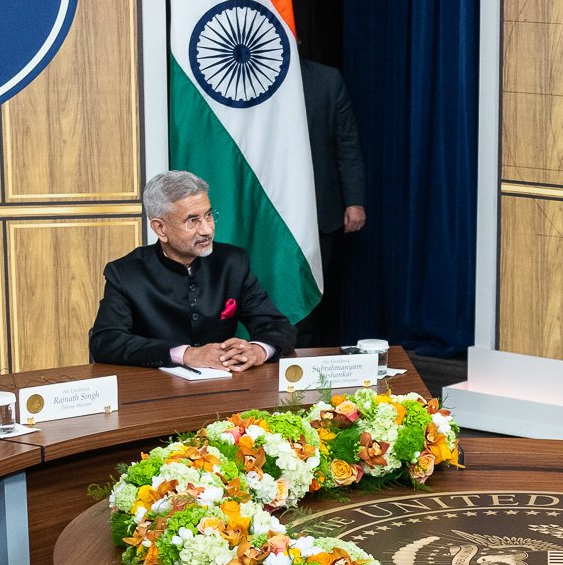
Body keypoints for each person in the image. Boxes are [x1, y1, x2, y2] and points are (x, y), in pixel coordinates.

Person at [90, 169, 298, 370]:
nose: (207, 229)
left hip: (225, 389)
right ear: (160, 228)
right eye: (193, 221)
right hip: (156, 391)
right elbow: (106, 341)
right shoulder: (125, 273)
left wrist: (258, 350)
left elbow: (278, 326)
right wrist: (187, 354)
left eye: (208, 215)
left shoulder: (233, 262)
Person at [297, 57, 368, 345]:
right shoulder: (246, 76)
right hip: (264, 211)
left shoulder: (327, 80)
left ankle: (302, 362)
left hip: (319, 211)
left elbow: (346, 143)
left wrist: (355, 201)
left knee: (310, 295)